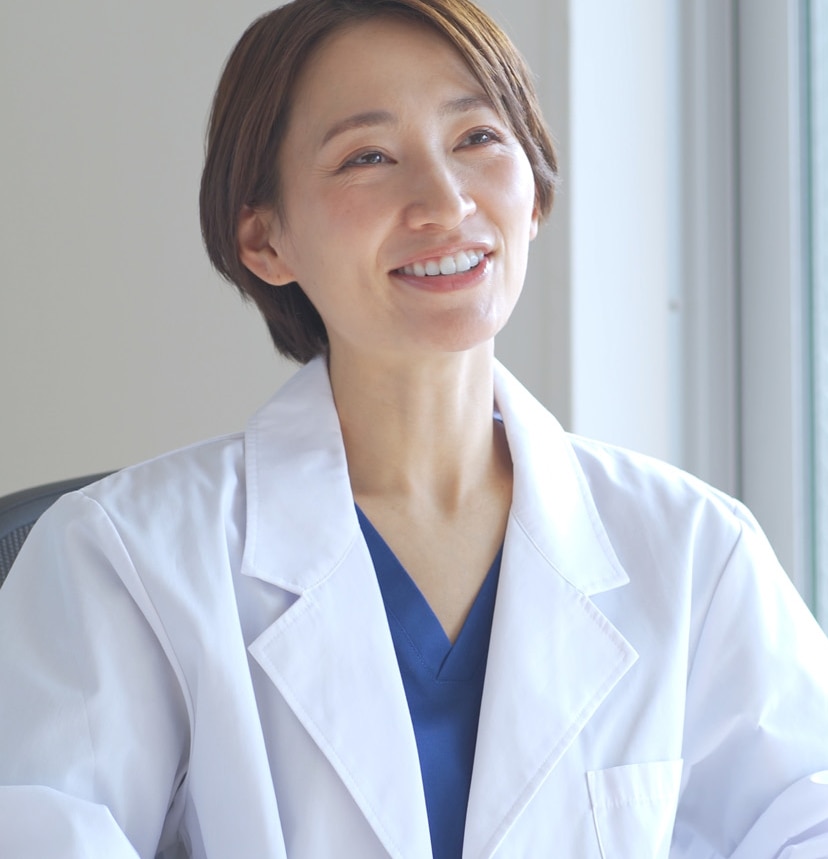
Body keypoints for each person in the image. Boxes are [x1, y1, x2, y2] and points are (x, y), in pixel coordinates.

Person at [1, 0, 827, 856]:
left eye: (477, 139)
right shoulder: (122, 560)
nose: (444, 199)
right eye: (367, 157)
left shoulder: (694, 551)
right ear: (264, 237)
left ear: (534, 190)